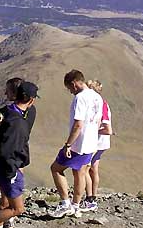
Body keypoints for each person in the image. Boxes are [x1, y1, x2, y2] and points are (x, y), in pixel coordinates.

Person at [0, 81, 39, 228]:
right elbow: (9, 151)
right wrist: (11, 172)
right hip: (11, 168)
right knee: (16, 207)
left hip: (5, 165)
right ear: (31, 100)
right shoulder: (18, 121)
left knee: (6, 199)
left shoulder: (7, 113)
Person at [49, 69, 102, 218]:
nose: (70, 92)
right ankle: (76, 206)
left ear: (74, 84)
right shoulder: (97, 97)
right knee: (80, 173)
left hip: (79, 144)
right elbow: (97, 121)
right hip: (91, 143)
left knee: (56, 168)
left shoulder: (80, 98)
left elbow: (78, 124)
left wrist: (68, 145)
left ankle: (66, 203)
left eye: (69, 88)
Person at [84, 79, 113, 211]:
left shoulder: (100, 104)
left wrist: (92, 129)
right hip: (100, 142)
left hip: (97, 142)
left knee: (84, 168)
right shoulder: (100, 103)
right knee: (93, 169)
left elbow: (108, 129)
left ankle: (89, 198)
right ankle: (92, 197)